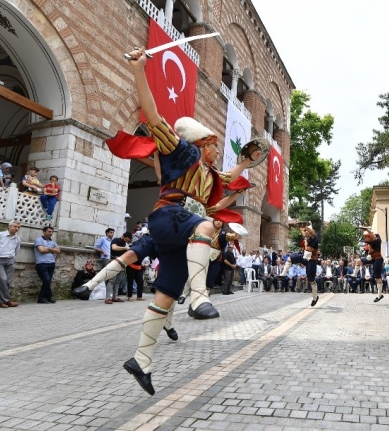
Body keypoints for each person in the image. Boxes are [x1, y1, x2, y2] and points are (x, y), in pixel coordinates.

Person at [119, 48, 261, 395]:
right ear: (200, 142)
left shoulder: (207, 171)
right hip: (170, 216)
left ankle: (142, 360)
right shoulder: (178, 149)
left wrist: (247, 163)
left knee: (166, 295)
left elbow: (227, 179)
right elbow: (153, 116)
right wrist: (139, 70)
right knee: (208, 227)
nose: (215, 150)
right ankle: (199, 298)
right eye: (212, 144)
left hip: (181, 233)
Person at [280, 225, 321, 305]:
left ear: (309, 231)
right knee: (290, 258)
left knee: (311, 280)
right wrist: (301, 227)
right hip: (304, 257)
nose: (305, 232)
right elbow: (303, 232)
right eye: (305, 231)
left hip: (311, 260)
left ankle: (315, 297)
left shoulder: (314, 237)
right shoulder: (306, 237)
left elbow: (313, 233)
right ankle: (283, 274)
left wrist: (305, 226)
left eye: (306, 231)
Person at [34, 226, 59, 304]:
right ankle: (48, 297)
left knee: (47, 281)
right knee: (46, 280)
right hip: (41, 263)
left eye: (52, 232)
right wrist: (52, 249)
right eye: (49, 231)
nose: (51, 233)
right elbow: (41, 250)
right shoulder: (38, 240)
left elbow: (58, 251)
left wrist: (48, 248)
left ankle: (42, 298)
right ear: (44, 232)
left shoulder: (53, 241)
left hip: (51, 263)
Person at [359, 228, 385, 302]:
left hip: (378, 260)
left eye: (367, 236)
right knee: (358, 261)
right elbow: (369, 247)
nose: (366, 238)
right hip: (372, 259)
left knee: (377, 278)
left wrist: (367, 230)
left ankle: (380, 295)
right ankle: (354, 274)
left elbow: (372, 237)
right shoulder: (370, 241)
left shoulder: (376, 241)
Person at [105, 232, 131, 304]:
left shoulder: (125, 244)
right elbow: (114, 248)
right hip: (114, 262)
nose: (126, 241)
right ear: (123, 236)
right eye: (126, 239)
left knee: (118, 281)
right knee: (111, 280)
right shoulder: (115, 240)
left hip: (122, 263)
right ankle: (108, 298)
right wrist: (125, 248)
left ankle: (115, 297)